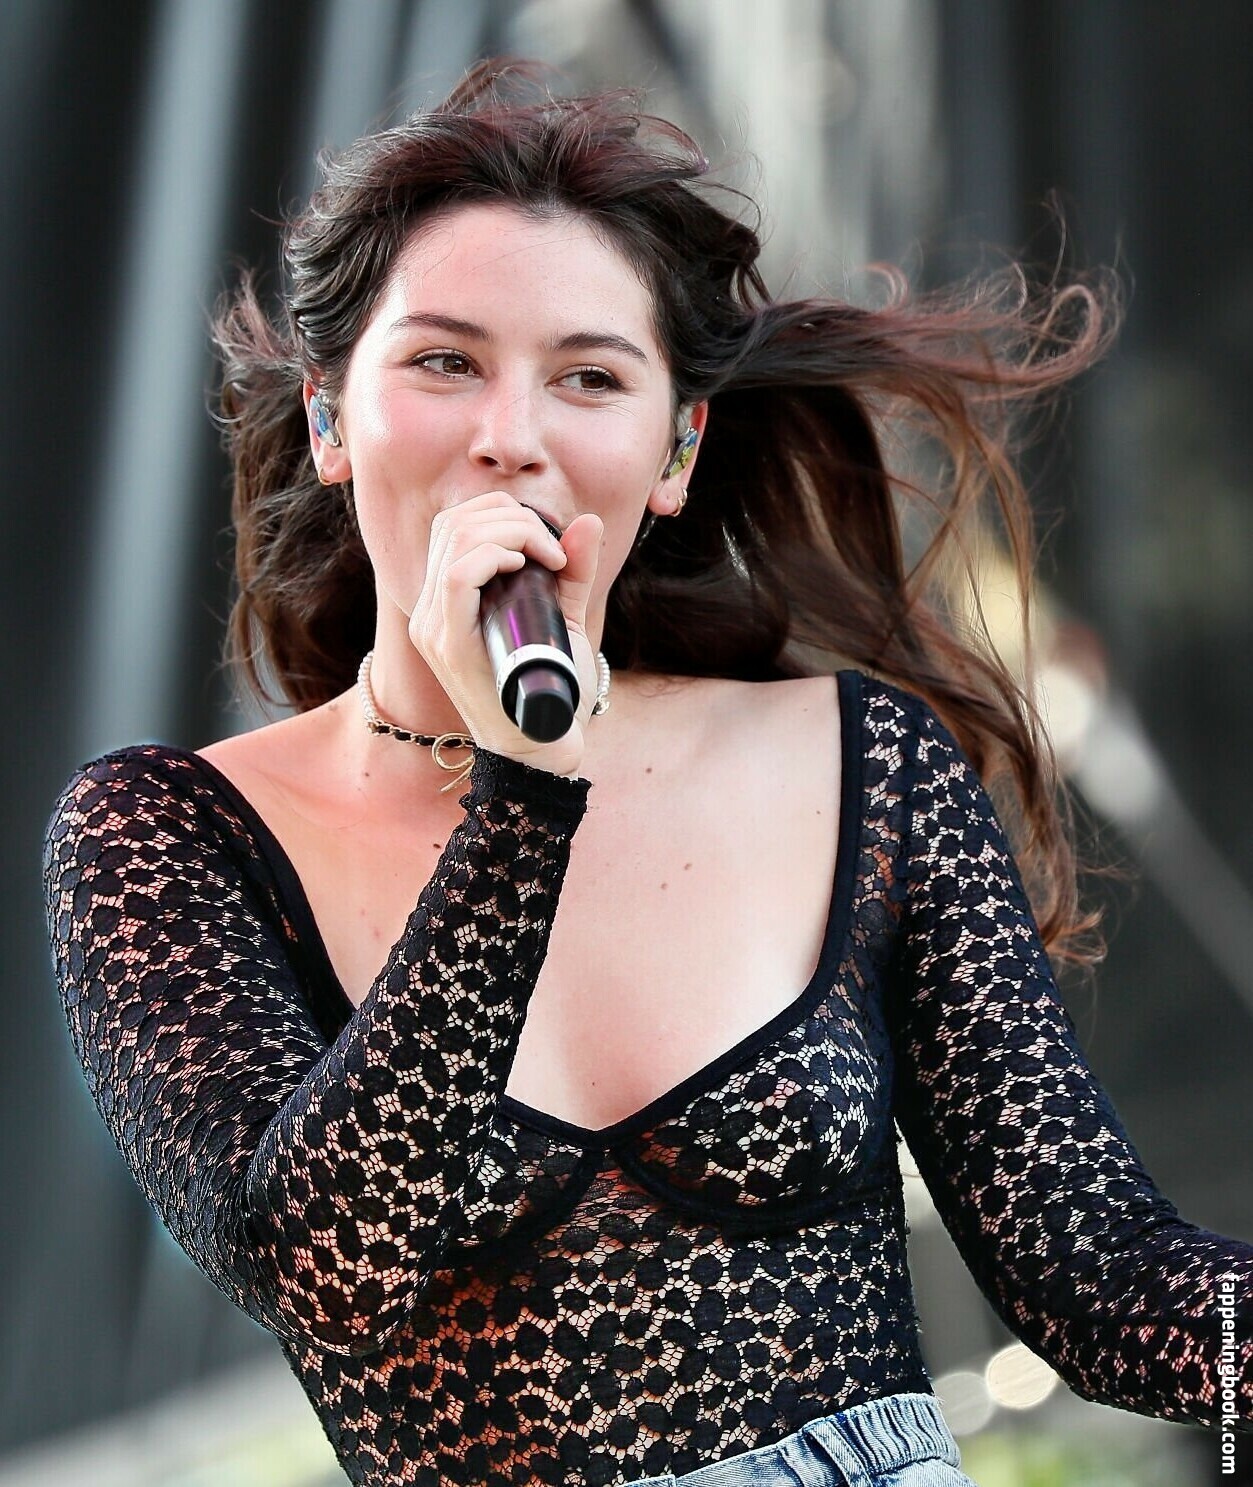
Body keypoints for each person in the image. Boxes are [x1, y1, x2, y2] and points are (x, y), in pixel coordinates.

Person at [43, 59, 1251, 1487]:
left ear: (674, 451)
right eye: (443, 362)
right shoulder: (168, 835)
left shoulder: (855, 764)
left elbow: (1103, 1283)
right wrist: (521, 796)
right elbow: (325, 1262)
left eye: (590, 378)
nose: (512, 437)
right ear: (328, 420)